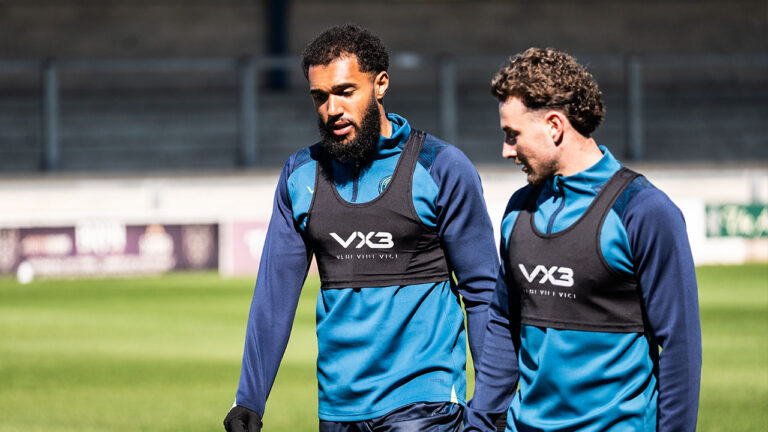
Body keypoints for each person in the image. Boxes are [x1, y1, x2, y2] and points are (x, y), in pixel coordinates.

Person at [223, 24, 499, 432]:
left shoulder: (442, 167)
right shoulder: (300, 175)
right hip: (338, 409)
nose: (332, 109)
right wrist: (249, 398)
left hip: (424, 405)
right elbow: (274, 294)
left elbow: (483, 291)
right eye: (319, 97)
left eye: (345, 91)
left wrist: (492, 406)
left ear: (380, 84)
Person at [465, 48, 702, 432]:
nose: (506, 150)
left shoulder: (643, 211)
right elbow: (502, 324)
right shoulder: (518, 210)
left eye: (513, 135)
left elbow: (681, 346)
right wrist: (480, 422)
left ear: (554, 126)